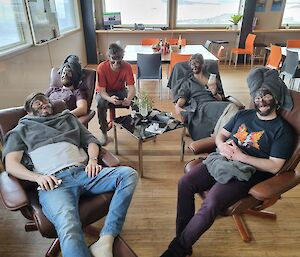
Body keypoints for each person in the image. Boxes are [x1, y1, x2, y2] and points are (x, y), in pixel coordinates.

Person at [160, 67, 295, 257]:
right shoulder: (243, 115)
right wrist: (221, 146)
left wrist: (241, 156)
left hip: (248, 171)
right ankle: (183, 239)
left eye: (266, 96)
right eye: (257, 97)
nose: (261, 101)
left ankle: (177, 250)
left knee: (212, 201)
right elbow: (220, 135)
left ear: (276, 97)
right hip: (223, 160)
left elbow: (275, 166)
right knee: (185, 183)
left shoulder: (282, 131)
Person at [2, 93, 138, 257]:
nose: (44, 104)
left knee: (128, 174)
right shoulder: (21, 130)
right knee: (68, 224)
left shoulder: (67, 119)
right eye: (38, 103)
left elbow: (91, 141)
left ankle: (106, 239)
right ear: (29, 109)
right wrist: (37, 177)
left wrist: (93, 161)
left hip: (84, 172)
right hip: (54, 182)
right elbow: (11, 164)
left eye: (46, 101)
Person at [171, 53, 239, 140]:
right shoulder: (188, 81)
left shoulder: (212, 79)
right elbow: (182, 97)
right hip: (200, 107)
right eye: (192, 64)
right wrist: (177, 106)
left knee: (232, 113)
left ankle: (218, 137)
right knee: (232, 108)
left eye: (197, 63)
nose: (194, 66)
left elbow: (220, 98)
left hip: (214, 105)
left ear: (203, 64)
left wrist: (214, 92)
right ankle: (220, 138)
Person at [96, 43, 135, 145]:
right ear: (108, 57)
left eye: (119, 58)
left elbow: (131, 89)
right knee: (100, 103)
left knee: (136, 100)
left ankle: (136, 126)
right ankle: (104, 132)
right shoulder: (101, 68)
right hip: (105, 92)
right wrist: (110, 99)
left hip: (120, 90)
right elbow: (102, 92)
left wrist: (129, 99)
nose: (117, 62)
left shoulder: (127, 66)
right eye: (114, 58)